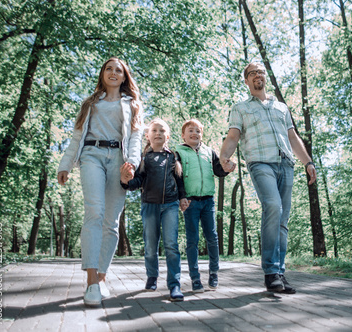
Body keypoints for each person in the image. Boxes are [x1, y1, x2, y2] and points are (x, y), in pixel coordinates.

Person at [220, 62, 317, 293]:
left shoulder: (281, 107)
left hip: (286, 163)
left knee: (283, 219)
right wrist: (224, 158)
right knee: (272, 206)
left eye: (260, 72)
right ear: (246, 81)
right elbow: (233, 136)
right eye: (252, 73)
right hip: (260, 163)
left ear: (266, 77)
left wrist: (308, 162)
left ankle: (280, 274)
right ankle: (270, 271)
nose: (257, 76)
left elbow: (292, 138)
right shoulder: (240, 108)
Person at [57, 57, 144, 306]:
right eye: (109, 69)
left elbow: (136, 138)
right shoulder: (90, 103)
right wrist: (65, 165)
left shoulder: (133, 104)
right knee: (94, 211)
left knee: (112, 221)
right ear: (103, 74)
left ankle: (103, 277)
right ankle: (92, 281)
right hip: (91, 155)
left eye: (119, 70)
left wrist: (132, 165)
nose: (113, 73)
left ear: (125, 77)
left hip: (119, 159)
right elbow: (76, 137)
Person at [120, 118, 189, 302]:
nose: (158, 133)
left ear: (167, 136)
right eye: (154, 130)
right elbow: (138, 181)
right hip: (149, 205)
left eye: (162, 130)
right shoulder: (144, 160)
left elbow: (180, 180)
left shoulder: (173, 157)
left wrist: (183, 197)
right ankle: (152, 276)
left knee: (171, 245)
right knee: (150, 245)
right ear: (147, 136)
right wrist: (126, 181)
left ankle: (174, 285)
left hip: (170, 205)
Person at [176, 119, 232, 293]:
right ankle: (195, 278)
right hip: (190, 202)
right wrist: (181, 197)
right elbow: (176, 177)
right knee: (192, 241)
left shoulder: (209, 151)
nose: (195, 134)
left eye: (198, 131)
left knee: (212, 238)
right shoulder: (177, 152)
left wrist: (227, 168)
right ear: (183, 135)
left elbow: (218, 171)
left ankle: (214, 273)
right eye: (190, 131)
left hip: (208, 201)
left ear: (202, 135)